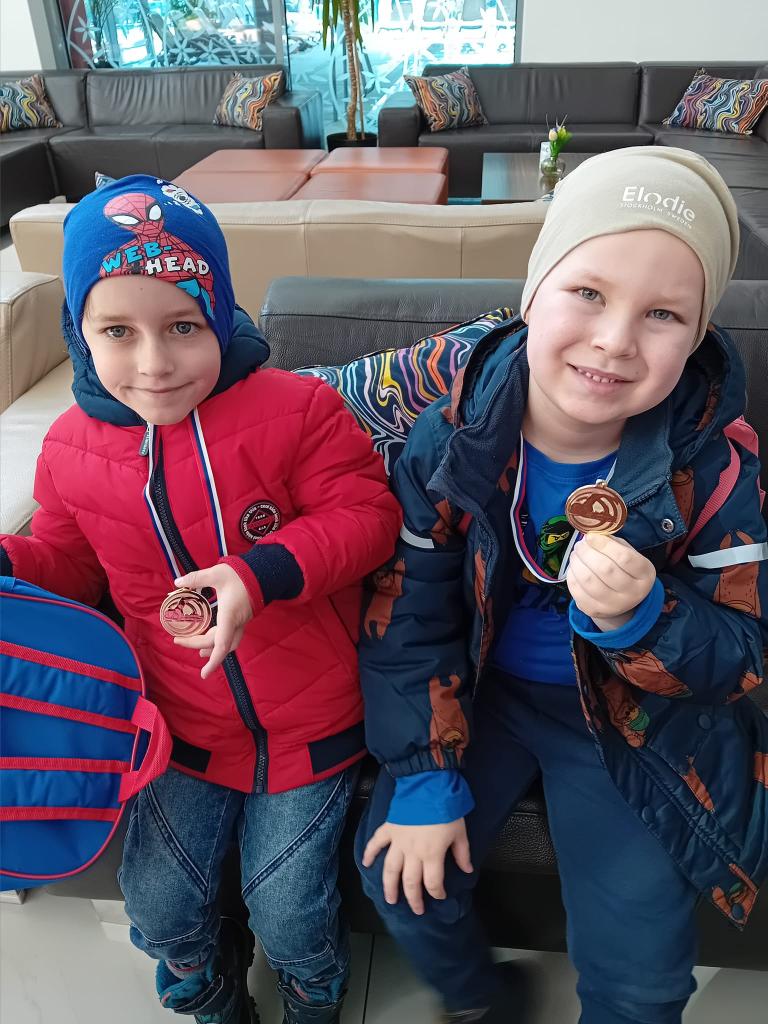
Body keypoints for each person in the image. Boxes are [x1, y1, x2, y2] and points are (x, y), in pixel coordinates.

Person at [355, 147, 768, 1024]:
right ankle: (485, 1002)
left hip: (635, 719)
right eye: (588, 291)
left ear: (697, 336)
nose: (615, 339)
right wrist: (425, 770)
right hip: (485, 696)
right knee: (399, 881)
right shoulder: (450, 440)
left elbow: (745, 655)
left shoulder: (716, 469)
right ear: (533, 289)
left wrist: (647, 617)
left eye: (663, 313)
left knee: (642, 983)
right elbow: (406, 614)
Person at [0, 175, 402, 1024]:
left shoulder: (297, 408)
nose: (154, 362)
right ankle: (211, 995)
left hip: (313, 722)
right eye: (118, 331)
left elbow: (367, 518)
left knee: (289, 911)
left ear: (219, 315)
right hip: (178, 725)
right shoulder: (69, 449)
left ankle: (314, 997)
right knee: (156, 906)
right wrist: (9, 559)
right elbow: (68, 566)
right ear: (79, 332)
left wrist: (259, 574)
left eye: (183, 326)